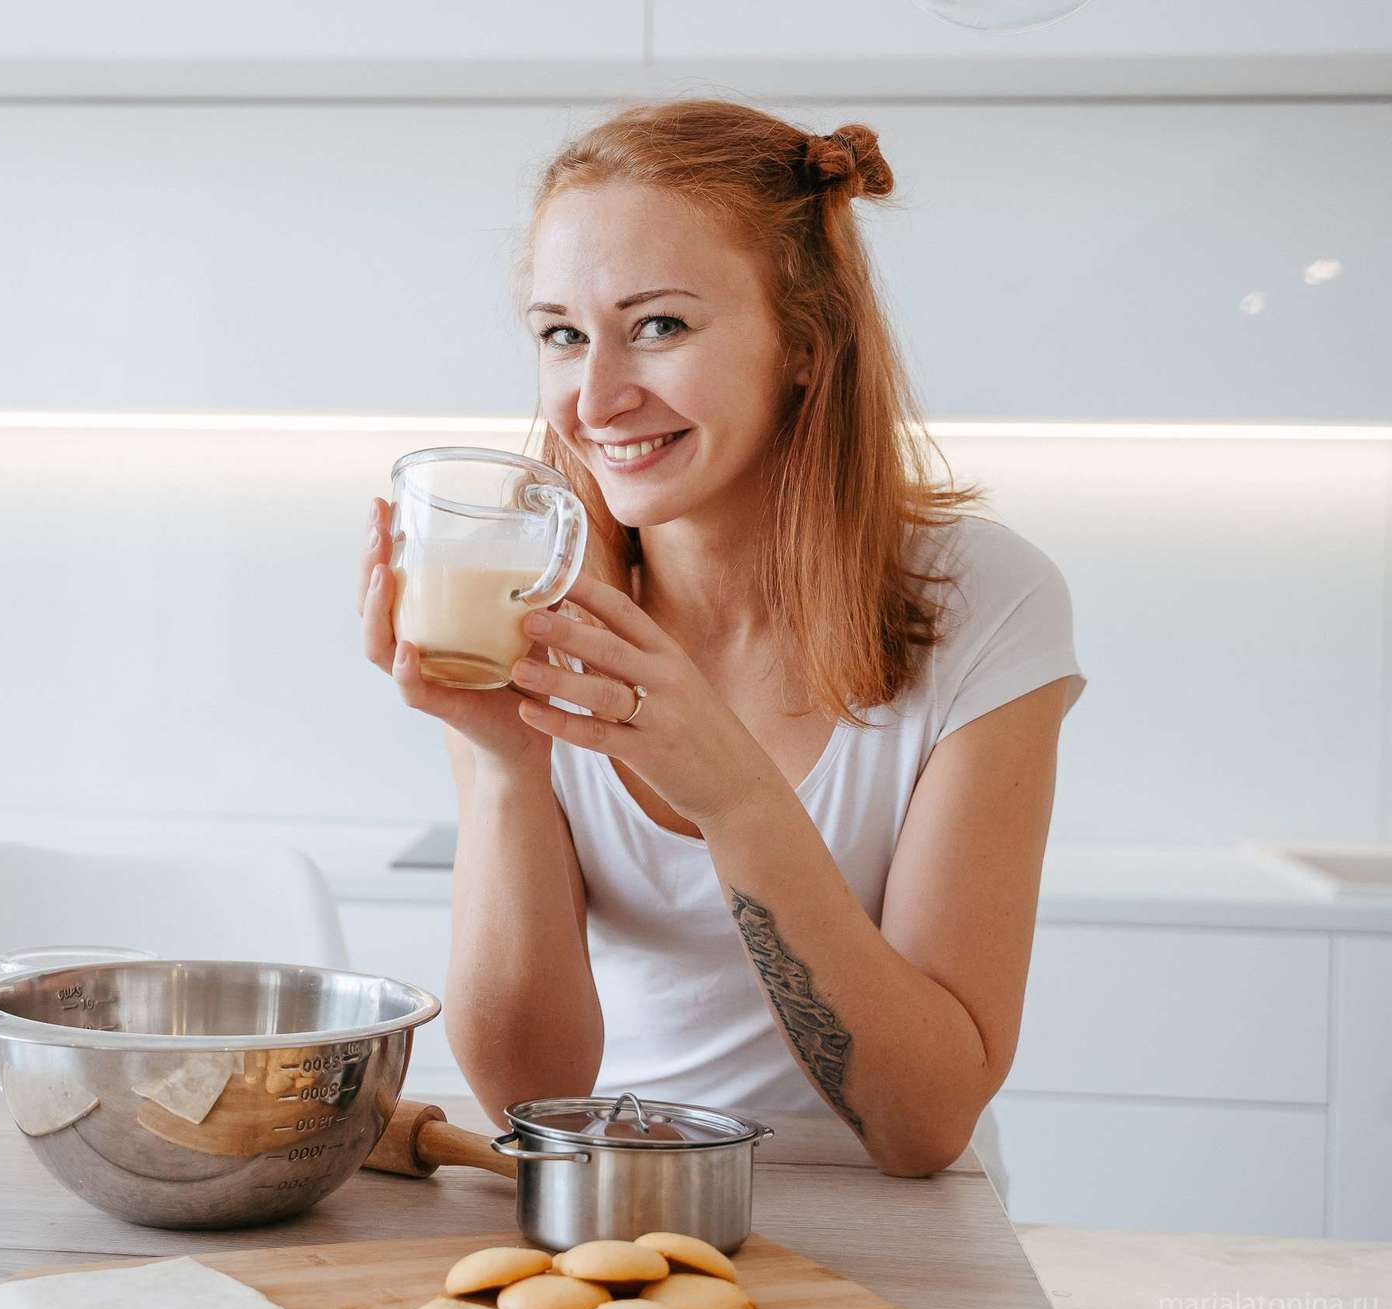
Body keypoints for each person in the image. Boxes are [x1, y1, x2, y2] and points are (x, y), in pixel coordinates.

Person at [356, 99, 1085, 1184]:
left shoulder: (984, 602)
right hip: (615, 1198)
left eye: (657, 325)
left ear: (803, 341)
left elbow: (923, 1123)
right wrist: (507, 765)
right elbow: (528, 1096)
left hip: (886, 1231)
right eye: (561, 333)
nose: (593, 399)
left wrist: (734, 795)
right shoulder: (526, 597)